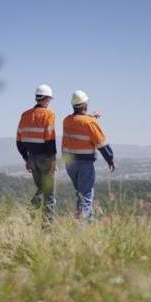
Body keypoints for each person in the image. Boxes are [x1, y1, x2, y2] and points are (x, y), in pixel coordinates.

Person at [61, 90, 115, 222]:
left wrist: (91, 118)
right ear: (85, 105)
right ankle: (83, 230)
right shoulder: (90, 123)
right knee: (85, 197)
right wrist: (110, 159)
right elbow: (102, 144)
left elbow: (79, 122)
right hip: (84, 164)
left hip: (70, 164)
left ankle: (83, 223)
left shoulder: (67, 121)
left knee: (80, 195)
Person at [16, 84, 57, 224]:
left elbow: (19, 141)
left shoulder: (25, 115)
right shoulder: (49, 114)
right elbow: (50, 139)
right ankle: (47, 227)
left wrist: (26, 158)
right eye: (50, 99)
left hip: (31, 158)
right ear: (46, 99)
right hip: (45, 158)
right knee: (49, 195)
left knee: (42, 188)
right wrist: (53, 160)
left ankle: (29, 216)